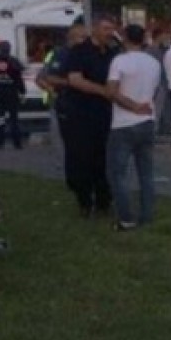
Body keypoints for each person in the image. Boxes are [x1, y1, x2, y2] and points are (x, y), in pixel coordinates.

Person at [103, 24, 162, 231]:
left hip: (124, 123)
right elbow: (153, 91)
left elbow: (112, 91)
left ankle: (126, 218)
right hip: (147, 120)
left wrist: (133, 106)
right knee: (145, 172)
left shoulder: (119, 61)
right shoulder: (154, 63)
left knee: (118, 173)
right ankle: (146, 214)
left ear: (125, 38)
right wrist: (143, 105)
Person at [65, 15, 120, 217]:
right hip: (82, 113)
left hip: (105, 114)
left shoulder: (113, 53)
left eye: (111, 29)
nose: (109, 33)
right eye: (105, 28)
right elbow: (75, 80)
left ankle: (104, 200)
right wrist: (102, 90)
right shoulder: (79, 52)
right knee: (83, 158)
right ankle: (85, 201)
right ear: (95, 29)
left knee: (104, 159)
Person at [38, 23, 86, 151]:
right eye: (83, 37)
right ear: (72, 38)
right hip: (62, 103)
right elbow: (43, 77)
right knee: (63, 146)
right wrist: (72, 83)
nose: (86, 41)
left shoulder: (83, 53)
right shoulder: (58, 54)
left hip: (81, 105)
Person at [0, 41, 27, 150]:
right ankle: (17, 143)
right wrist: (23, 93)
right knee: (14, 120)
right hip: (12, 95)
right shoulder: (14, 61)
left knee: (0, 119)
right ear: (9, 49)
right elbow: (19, 80)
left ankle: (0, 143)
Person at [151, 29, 171, 138]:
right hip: (157, 84)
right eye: (164, 37)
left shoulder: (161, 50)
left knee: (161, 109)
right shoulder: (153, 51)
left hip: (161, 83)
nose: (166, 39)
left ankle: (160, 131)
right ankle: (154, 133)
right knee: (157, 109)